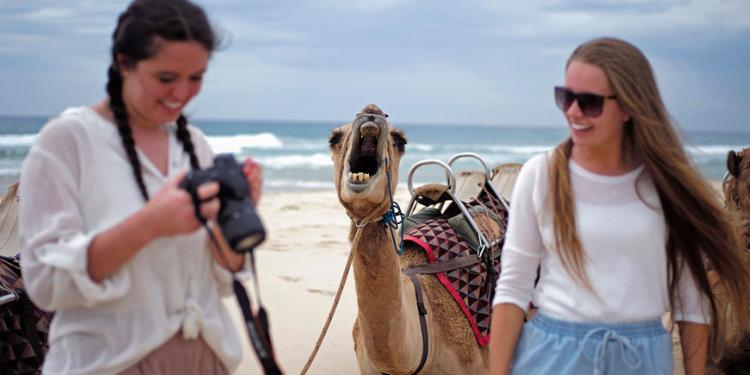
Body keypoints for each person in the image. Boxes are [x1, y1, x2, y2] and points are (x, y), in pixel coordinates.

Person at [18, 0, 262, 374]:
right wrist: (149, 224)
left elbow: (224, 275)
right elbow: (47, 285)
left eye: (196, 77)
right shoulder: (66, 141)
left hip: (209, 358)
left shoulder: (194, 145)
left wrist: (239, 216)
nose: (182, 93)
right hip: (108, 364)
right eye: (166, 78)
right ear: (124, 63)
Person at [488, 37, 750, 375]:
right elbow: (513, 288)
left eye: (590, 102)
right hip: (551, 357)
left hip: (642, 358)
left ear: (629, 106)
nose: (573, 112)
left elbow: (690, 303)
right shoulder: (542, 174)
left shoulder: (668, 184)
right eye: (566, 97)